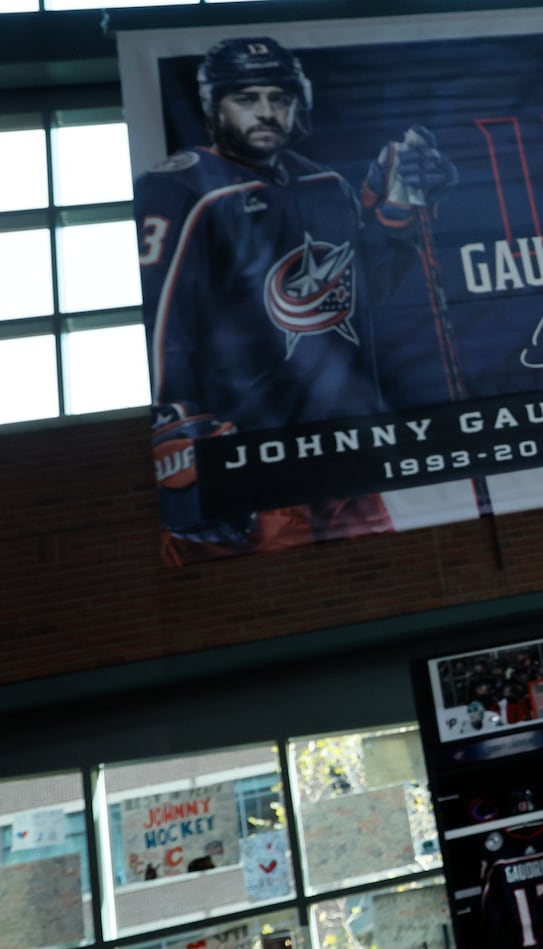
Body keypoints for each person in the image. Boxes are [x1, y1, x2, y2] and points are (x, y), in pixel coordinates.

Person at [136, 36, 457, 563]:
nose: (266, 112)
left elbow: (362, 292)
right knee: (271, 602)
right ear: (214, 104)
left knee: (388, 582)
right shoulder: (180, 190)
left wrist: (396, 210)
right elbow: (161, 327)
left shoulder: (324, 183)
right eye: (246, 98)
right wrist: (175, 425)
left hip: (343, 452)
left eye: (279, 98)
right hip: (253, 459)